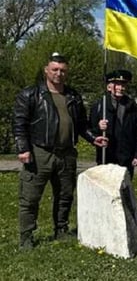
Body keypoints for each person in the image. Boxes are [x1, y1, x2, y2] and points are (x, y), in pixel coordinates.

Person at [14, 52, 106, 249]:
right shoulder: (30, 94)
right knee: (30, 198)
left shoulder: (73, 96)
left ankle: (61, 229)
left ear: (67, 72)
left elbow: (81, 125)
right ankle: (26, 236)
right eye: (54, 69)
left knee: (65, 195)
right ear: (46, 70)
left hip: (66, 154)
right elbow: (19, 123)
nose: (58, 74)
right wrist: (23, 149)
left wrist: (93, 137)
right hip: (39, 153)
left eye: (63, 70)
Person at [89, 70, 137, 177]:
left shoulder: (133, 107)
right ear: (108, 87)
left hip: (126, 157)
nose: (120, 88)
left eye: (123, 84)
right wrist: (98, 127)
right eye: (116, 84)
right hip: (106, 156)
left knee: (124, 189)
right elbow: (90, 131)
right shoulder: (99, 106)